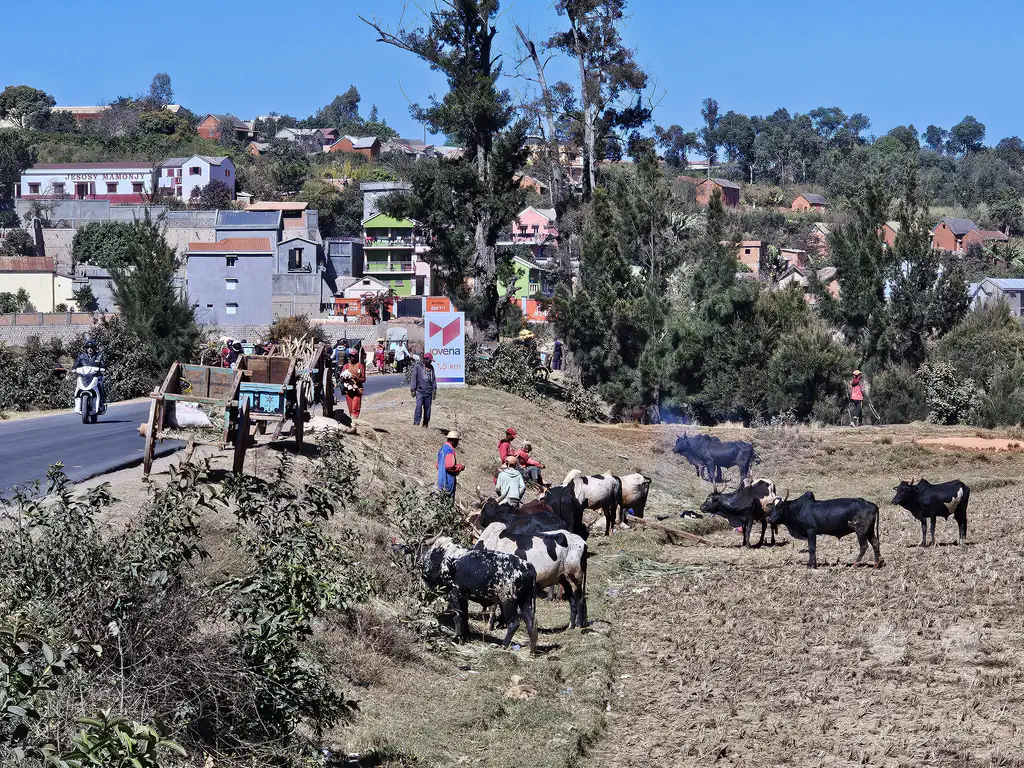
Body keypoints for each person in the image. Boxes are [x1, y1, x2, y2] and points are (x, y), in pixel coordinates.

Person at [74, 339, 107, 413]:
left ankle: (101, 403)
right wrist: (74, 369)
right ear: (85, 348)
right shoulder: (81, 357)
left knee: (100, 384)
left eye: (92, 348)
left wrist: (102, 368)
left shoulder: (99, 356)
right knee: (77, 385)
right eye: (88, 348)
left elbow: (103, 365)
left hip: (96, 376)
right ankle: (77, 402)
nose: (90, 349)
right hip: (84, 377)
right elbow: (75, 366)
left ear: (94, 348)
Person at [411, 352, 437, 427]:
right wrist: (413, 389)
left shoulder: (431, 368)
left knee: (427, 410)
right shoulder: (418, 367)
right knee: (418, 407)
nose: (431, 362)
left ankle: (425, 425)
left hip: (428, 392)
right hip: (420, 391)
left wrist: (434, 389)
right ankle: (416, 424)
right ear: (426, 359)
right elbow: (414, 377)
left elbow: (433, 379)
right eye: (430, 360)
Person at [437, 430, 465, 498]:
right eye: (457, 441)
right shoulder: (449, 450)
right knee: (447, 503)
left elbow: (437, 465)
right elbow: (449, 466)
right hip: (448, 483)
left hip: (440, 482)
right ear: (453, 440)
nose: (457, 443)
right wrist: (460, 467)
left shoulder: (442, 448)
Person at [342, 349, 366, 419]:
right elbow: (341, 378)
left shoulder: (360, 366)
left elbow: (364, 379)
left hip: (357, 390)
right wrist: (345, 377)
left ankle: (355, 421)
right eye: (350, 356)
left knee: (355, 409)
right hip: (348, 391)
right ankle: (352, 423)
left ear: (356, 356)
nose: (352, 358)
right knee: (350, 410)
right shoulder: (346, 366)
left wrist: (357, 379)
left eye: (353, 356)